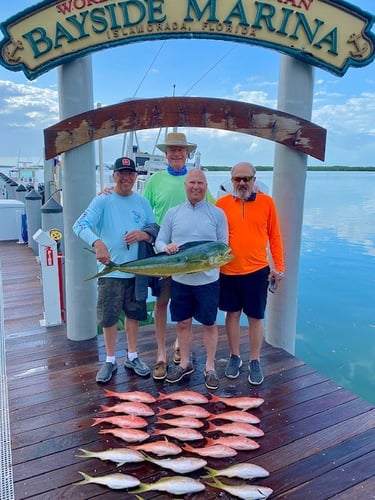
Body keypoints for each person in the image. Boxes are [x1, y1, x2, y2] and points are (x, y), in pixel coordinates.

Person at [73, 157, 157, 383]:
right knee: (109, 318)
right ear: (114, 175)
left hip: (137, 270)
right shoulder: (103, 200)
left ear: (135, 176)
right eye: (121, 173)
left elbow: (153, 227)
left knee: (134, 314)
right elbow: (79, 225)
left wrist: (143, 235)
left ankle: (132, 356)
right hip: (110, 271)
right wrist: (97, 243)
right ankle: (110, 360)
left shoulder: (142, 202)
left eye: (130, 173)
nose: (126, 177)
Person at [143, 132, 215, 381]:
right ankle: (161, 354)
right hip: (165, 255)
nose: (176, 153)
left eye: (181, 150)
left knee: (185, 308)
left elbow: (215, 210)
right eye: (172, 149)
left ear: (188, 154)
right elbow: (143, 210)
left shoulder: (196, 180)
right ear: (166, 154)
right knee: (162, 304)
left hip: (192, 259)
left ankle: (178, 347)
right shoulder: (155, 180)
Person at [155, 169, 228, 390]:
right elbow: (159, 241)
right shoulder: (173, 213)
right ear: (185, 185)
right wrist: (165, 247)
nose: (196, 187)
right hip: (180, 281)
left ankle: (209, 367)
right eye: (192, 182)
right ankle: (185, 363)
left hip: (208, 281)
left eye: (201, 183)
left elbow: (223, 245)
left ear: (206, 186)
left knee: (209, 324)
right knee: (183, 323)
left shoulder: (217, 214)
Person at [215, 162, 285, 385]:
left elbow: (275, 236)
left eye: (247, 178)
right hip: (228, 270)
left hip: (257, 271)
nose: (242, 183)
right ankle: (235, 356)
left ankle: (255, 359)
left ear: (254, 180)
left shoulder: (267, 202)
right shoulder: (222, 204)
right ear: (231, 180)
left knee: (256, 317)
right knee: (232, 315)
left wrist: (279, 267)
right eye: (238, 179)